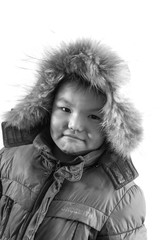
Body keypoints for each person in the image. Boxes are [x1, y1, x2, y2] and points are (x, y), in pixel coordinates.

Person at [0, 39, 147, 240]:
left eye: (94, 116)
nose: (74, 124)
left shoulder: (121, 199)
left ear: (113, 125)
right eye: (65, 109)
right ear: (48, 107)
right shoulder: (11, 158)